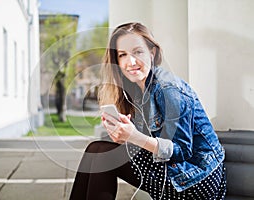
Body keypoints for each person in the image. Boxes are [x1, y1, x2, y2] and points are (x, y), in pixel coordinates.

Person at [69, 22, 226, 200]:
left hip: (195, 180)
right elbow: (149, 142)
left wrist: (134, 136)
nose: (131, 62)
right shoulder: (136, 89)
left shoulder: (169, 89)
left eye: (138, 52)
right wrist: (123, 135)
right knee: (96, 150)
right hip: (170, 170)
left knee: (103, 156)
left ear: (152, 53)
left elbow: (182, 151)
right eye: (123, 55)